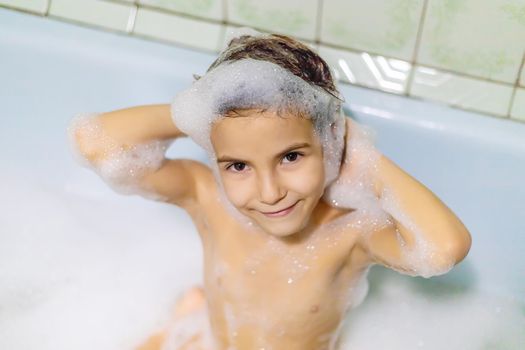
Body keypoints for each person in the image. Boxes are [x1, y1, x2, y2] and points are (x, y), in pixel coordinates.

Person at [67, 33, 472, 350]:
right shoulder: (206, 194)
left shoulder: (349, 233)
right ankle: (187, 317)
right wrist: (201, 113)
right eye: (239, 165)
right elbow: (95, 144)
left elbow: (443, 249)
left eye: (291, 157)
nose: (270, 191)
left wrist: (361, 155)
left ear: (330, 147)